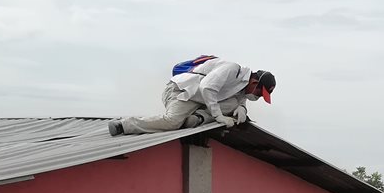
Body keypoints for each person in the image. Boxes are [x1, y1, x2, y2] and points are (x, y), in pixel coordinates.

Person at [109, 56, 276, 136]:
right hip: (182, 92)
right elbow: (207, 87)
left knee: (234, 106)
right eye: (259, 94)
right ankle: (123, 125)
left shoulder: (242, 89)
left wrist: (242, 109)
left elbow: (237, 101)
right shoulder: (232, 70)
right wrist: (219, 117)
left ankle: (198, 118)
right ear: (254, 83)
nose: (258, 98)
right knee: (172, 122)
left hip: (199, 102)